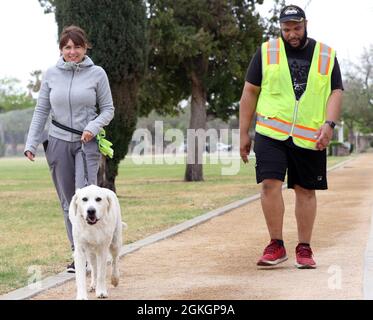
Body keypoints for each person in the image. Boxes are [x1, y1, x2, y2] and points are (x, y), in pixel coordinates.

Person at [239, 5, 343, 269]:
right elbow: (250, 91)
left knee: (305, 190)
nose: (292, 34)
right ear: (280, 29)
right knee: (269, 184)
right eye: (286, 29)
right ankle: (276, 244)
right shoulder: (266, 52)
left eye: (296, 28)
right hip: (271, 133)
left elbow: (336, 92)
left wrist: (329, 125)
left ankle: (304, 248)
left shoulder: (326, 55)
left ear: (306, 24)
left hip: (310, 135)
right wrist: (243, 132)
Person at [24, 25, 114, 273]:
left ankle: (96, 253)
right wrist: (31, 143)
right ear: (61, 49)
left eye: (76, 47)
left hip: (87, 145)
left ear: (85, 47)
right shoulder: (52, 74)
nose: (72, 51)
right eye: (67, 47)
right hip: (58, 143)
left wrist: (93, 127)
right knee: (69, 203)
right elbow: (41, 110)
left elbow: (108, 109)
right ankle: (79, 254)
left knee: (88, 201)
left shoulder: (97, 74)